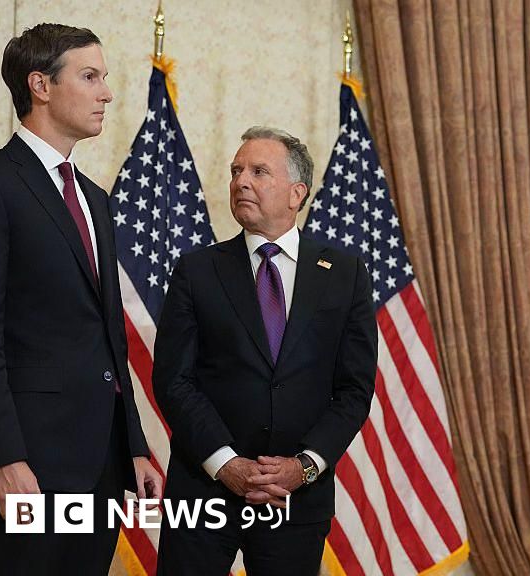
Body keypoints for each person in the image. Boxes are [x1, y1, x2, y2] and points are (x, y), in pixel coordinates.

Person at [0, 23, 162, 575]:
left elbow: (109, 338)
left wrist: (133, 446)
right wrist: (4, 457)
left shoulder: (95, 199)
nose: (106, 92)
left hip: (101, 468)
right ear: (40, 85)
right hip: (25, 468)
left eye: (104, 78)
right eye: (90, 77)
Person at [153, 126, 377, 575]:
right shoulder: (197, 271)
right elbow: (174, 380)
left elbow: (354, 390)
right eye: (236, 171)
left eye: (258, 171)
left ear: (297, 193)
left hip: (296, 499)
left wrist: (305, 466)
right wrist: (225, 463)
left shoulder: (345, 274)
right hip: (203, 491)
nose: (241, 181)